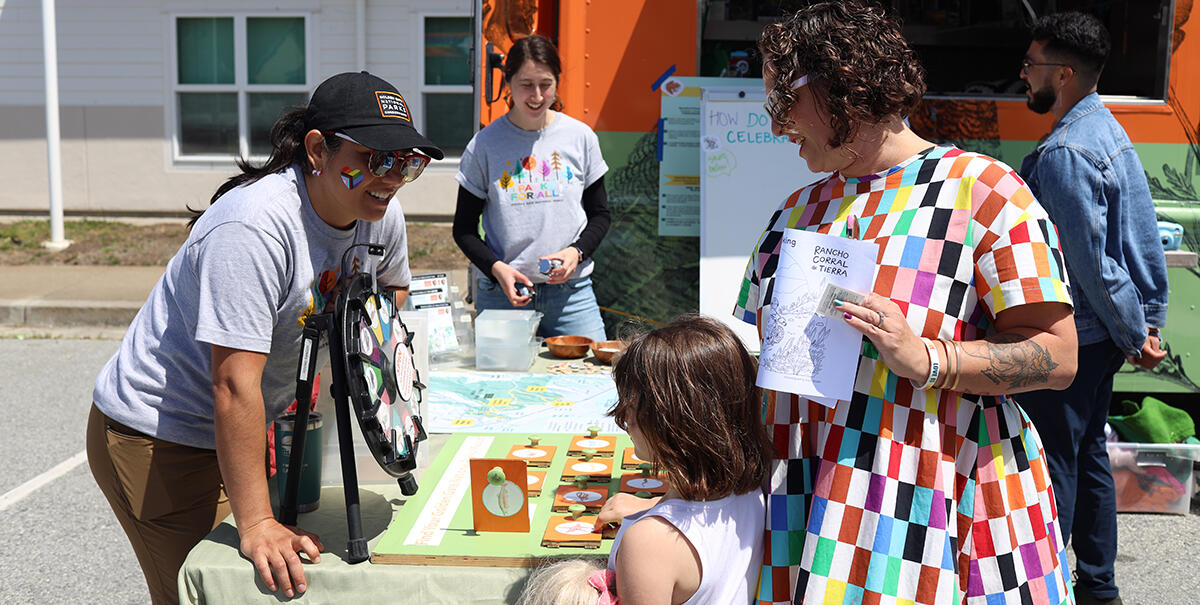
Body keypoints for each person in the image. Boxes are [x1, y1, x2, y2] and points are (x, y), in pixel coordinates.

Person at [741, 2, 1081, 603]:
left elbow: (1058, 357)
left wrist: (929, 358)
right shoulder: (797, 211)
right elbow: (753, 352)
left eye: (782, 102)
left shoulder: (985, 193)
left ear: (840, 89)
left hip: (941, 502)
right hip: (815, 503)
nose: (775, 126)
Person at [86, 71, 443, 605]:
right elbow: (232, 384)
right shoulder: (253, 227)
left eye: (407, 162)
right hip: (163, 436)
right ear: (318, 149)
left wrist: (357, 361)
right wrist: (255, 522)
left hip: (255, 424)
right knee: (216, 590)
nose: (392, 177)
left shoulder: (380, 215)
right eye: (375, 158)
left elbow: (391, 290)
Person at [1013, 12, 1169, 605]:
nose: (1023, 76)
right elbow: (1142, 238)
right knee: (1087, 456)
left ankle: (1047, 587)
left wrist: (1137, 333)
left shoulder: (1066, 153)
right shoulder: (1106, 128)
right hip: (1101, 333)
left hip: (1074, 333)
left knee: (1054, 462)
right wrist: (1144, 321)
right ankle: (1099, 587)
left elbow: (1092, 266)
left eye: (1031, 66)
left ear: (1066, 73)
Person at [518, 314, 770, 605]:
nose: (624, 419)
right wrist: (651, 505)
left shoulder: (647, 542)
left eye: (631, 406)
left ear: (672, 423)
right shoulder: (752, 489)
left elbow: (664, 546)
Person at [453, 34, 610, 341]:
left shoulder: (581, 138)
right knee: (499, 387)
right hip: (503, 294)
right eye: (526, 84)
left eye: (546, 84)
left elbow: (600, 215)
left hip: (572, 296)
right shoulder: (484, 145)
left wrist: (576, 252)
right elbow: (464, 229)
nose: (537, 95)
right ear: (508, 83)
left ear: (557, 83)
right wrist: (498, 269)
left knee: (594, 381)